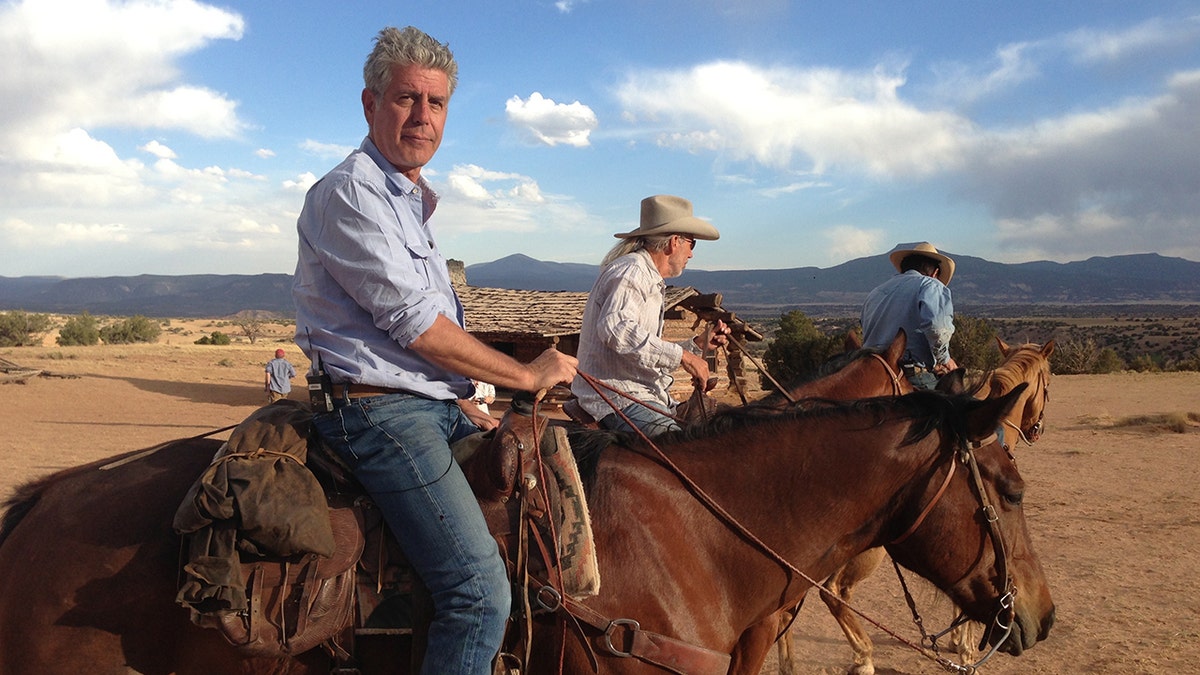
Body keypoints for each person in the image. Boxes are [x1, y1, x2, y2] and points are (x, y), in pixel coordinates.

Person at [291, 26, 577, 674]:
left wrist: (463, 400)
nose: (423, 116)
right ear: (370, 105)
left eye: (436, 102)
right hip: (378, 413)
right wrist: (524, 375)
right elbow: (417, 326)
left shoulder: (410, 203)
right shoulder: (351, 193)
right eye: (406, 99)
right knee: (478, 595)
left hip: (428, 406)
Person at [569, 194, 730, 437]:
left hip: (639, 395)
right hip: (618, 397)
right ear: (674, 241)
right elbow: (616, 329)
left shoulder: (647, 276)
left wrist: (696, 346)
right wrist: (684, 357)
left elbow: (637, 351)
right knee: (683, 454)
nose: (691, 254)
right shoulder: (632, 271)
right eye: (692, 243)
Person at [861, 241, 958, 389]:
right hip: (908, 374)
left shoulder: (876, 292)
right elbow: (937, 329)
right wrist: (944, 359)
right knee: (958, 407)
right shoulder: (931, 285)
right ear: (935, 273)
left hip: (868, 373)